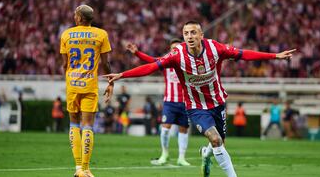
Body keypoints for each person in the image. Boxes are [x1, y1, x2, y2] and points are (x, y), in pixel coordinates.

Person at [104, 21, 295, 177]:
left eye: (193, 32)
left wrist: (274, 56)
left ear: (201, 35)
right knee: (215, 138)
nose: (190, 36)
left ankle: (206, 154)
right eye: (186, 33)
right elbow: (152, 67)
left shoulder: (215, 48)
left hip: (218, 102)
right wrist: (122, 75)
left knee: (219, 143)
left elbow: (243, 54)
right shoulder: (177, 54)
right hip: (195, 106)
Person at [60, 4, 113, 177]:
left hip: (72, 85)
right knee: (88, 125)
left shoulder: (66, 34)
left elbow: (64, 64)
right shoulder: (101, 34)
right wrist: (110, 81)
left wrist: (70, 77)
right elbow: (105, 63)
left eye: (76, 14)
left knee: (74, 124)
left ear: (80, 18)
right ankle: (85, 168)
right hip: (89, 85)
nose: (74, 17)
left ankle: (77, 169)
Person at [126, 39, 191, 166]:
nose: (174, 50)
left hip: (185, 103)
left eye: (177, 48)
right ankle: (164, 154)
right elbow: (151, 60)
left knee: (183, 130)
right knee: (165, 129)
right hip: (170, 102)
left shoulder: (188, 63)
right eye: (173, 48)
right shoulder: (166, 63)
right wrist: (137, 53)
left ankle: (181, 158)